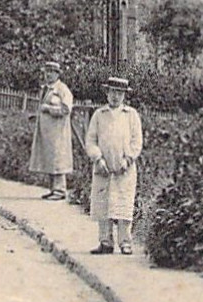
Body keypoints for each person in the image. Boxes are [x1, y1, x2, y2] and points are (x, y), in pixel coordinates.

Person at [83, 77, 143, 255]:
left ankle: (125, 242)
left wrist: (128, 159)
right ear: (107, 93)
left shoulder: (131, 115)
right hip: (103, 167)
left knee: (123, 203)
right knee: (103, 203)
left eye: (119, 93)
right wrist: (98, 159)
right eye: (112, 92)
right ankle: (105, 241)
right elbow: (91, 140)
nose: (115, 96)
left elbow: (136, 141)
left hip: (124, 168)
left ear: (124, 95)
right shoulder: (99, 114)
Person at [26, 60, 74, 200]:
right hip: (46, 131)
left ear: (57, 74)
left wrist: (49, 109)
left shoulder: (62, 89)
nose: (48, 75)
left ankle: (60, 190)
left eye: (52, 72)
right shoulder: (45, 88)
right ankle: (52, 189)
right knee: (49, 158)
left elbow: (66, 109)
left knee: (58, 159)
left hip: (58, 131)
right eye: (47, 72)